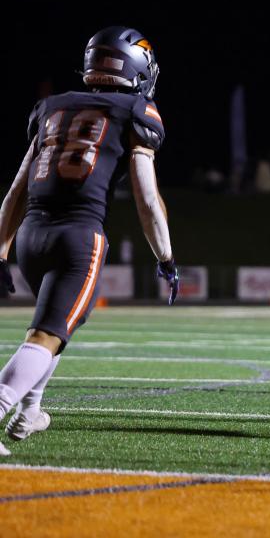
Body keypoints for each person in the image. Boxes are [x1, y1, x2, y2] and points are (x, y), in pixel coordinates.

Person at [0, 27, 180, 456]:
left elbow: (16, 190)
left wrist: (2, 250)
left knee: (59, 325)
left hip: (30, 237)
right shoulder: (138, 110)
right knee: (46, 334)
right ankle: (8, 404)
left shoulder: (51, 108)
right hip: (78, 236)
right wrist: (167, 255)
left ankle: (30, 411)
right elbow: (147, 198)